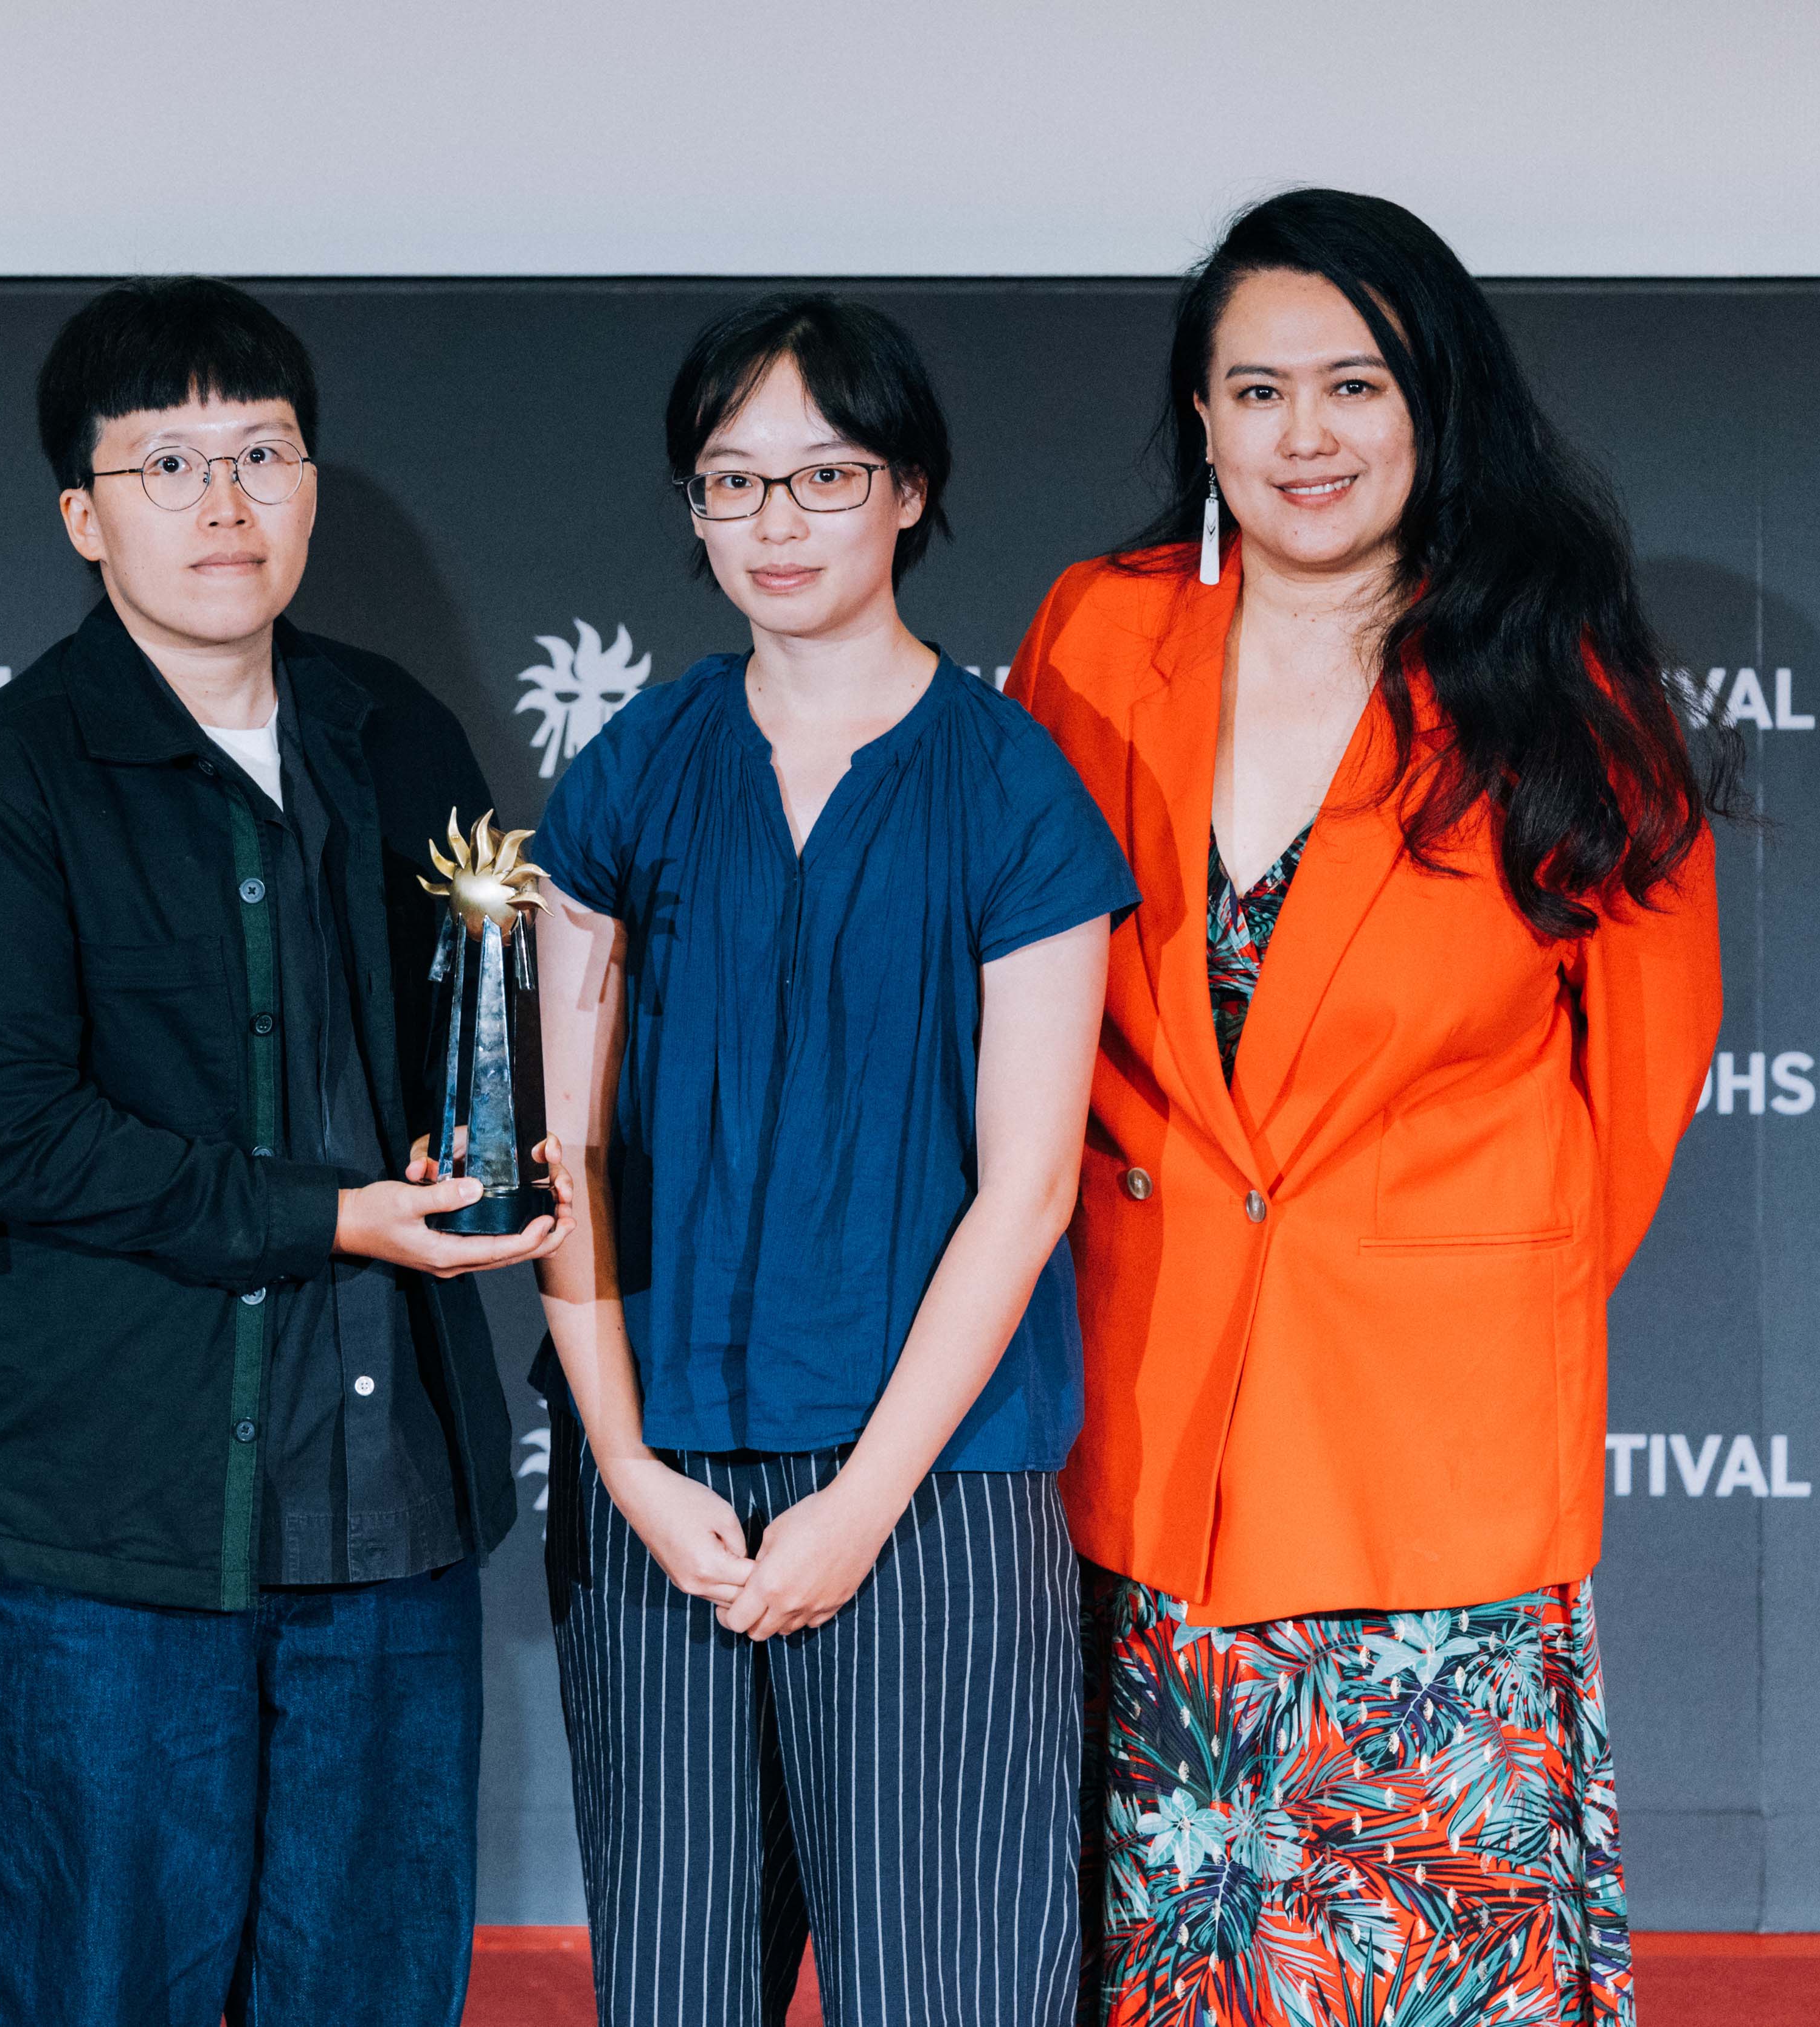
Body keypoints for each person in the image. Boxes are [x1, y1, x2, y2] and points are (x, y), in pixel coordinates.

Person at [1008, 189, 1732, 2026]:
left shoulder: (1553, 672)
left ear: (1434, 405)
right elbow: (1021, 997)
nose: (1304, 436)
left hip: (1432, 1444)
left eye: (1354, 386)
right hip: (1153, 1412)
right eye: (1257, 392)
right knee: (1175, 1968)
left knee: (1428, 1970)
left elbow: (1643, 1071)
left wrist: (1456, 1285)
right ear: (1201, 419)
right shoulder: (1095, 635)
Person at [0, 277, 569, 2026]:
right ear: (84, 514)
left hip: (386, 1523)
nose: (224, 503)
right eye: (170, 463)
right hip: (109, 1547)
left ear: (312, 486)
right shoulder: (9, 778)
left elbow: (469, 1040)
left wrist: (493, 1153)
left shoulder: (395, 733)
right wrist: (330, 1216)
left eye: (262, 455)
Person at [527, 293, 1137, 2027]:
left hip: (936, 1490)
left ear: (910, 491)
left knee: (954, 1987)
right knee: (677, 1990)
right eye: (733, 482)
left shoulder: (1013, 786)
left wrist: (864, 1506)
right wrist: (622, 1461)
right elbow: (563, 1152)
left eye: (824, 475)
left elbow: (1029, 1188)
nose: (775, 523)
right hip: (666, 1491)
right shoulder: (633, 771)